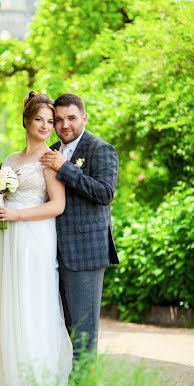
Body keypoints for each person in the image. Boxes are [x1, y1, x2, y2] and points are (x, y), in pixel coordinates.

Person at [0, 92, 73, 386]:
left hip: (34, 237)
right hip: (6, 238)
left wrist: (16, 214)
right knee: (6, 300)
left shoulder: (48, 159)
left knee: (31, 302)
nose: (47, 126)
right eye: (40, 120)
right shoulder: (9, 160)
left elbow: (57, 205)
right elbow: (0, 198)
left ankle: (35, 383)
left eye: (51, 121)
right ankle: (3, 382)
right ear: (27, 121)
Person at [41, 93, 119, 369]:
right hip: (51, 252)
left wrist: (66, 169)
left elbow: (105, 193)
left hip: (85, 254)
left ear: (83, 118)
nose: (64, 125)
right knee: (61, 328)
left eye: (71, 118)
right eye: (59, 119)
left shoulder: (101, 149)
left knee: (83, 333)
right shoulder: (49, 151)